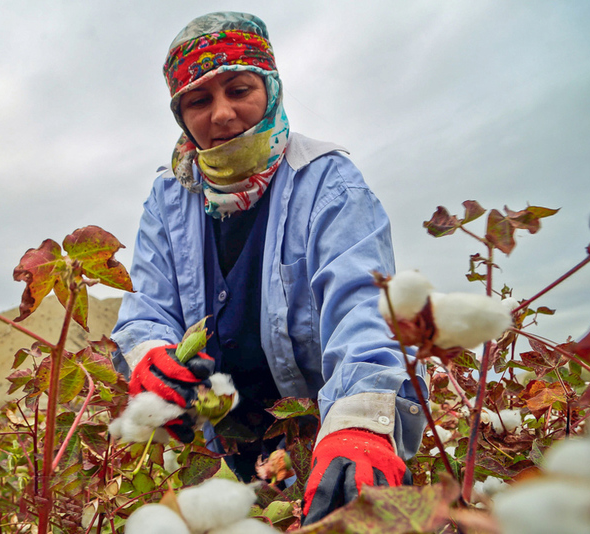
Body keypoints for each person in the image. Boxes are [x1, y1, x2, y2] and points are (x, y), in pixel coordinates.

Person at [110, 11, 427, 525]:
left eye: (239, 89)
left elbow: (364, 305)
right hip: (225, 442)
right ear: (181, 115)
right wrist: (149, 354)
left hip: (324, 434)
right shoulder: (170, 197)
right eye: (198, 100)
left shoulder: (328, 182)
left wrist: (359, 424)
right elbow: (147, 304)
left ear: (271, 88)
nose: (222, 114)